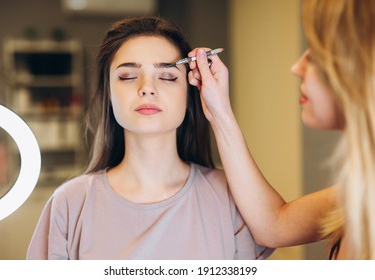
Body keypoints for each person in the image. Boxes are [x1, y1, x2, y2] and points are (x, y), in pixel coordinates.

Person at [26, 16, 273, 260]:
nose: (147, 87)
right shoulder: (69, 204)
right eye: (127, 76)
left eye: (167, 76)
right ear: (109, 94)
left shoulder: (234, 198)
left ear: (190, 93)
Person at [188, 0, 375, 259]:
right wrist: (219, 113)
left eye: (316, 55)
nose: (296, 67)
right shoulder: (362, 189)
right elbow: (274, 225)